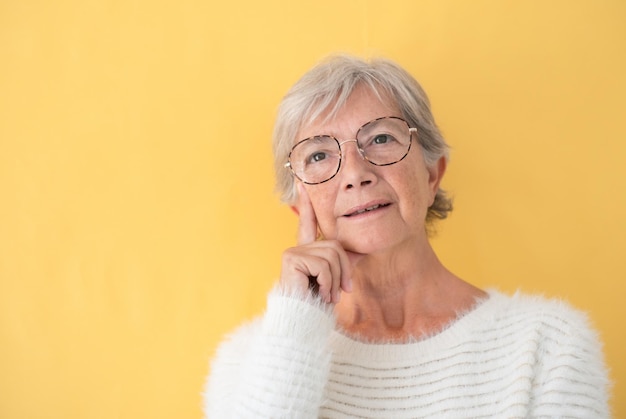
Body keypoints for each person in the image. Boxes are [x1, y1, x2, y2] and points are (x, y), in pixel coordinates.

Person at [203, 55, 610, 418]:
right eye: (319, 155)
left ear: (432, 174)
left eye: (380, 139)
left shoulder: (549, 349)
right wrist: (296, 329)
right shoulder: (247, 361)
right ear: (299, 206)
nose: (355, 173)